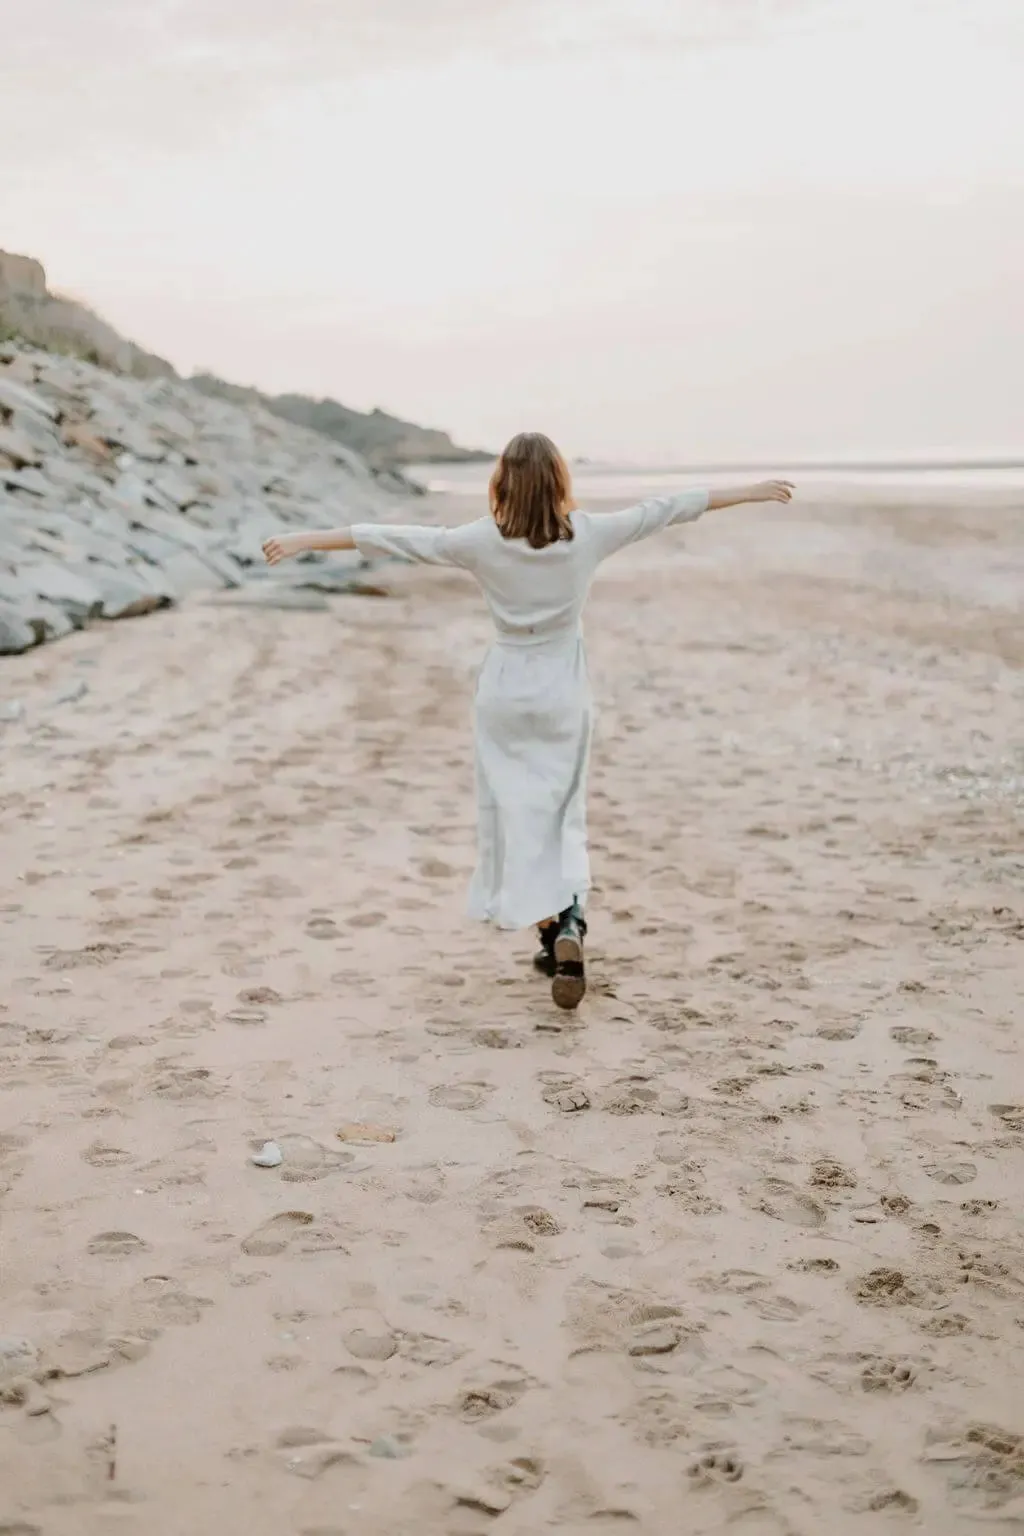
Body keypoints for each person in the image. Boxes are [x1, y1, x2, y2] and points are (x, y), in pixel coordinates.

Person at [263, 433, 793, 1010]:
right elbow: (665, 510)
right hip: (562, 691)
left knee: (516, 815)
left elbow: (392, 538)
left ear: (502, 483)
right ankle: (568, 926)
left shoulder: (480, 541)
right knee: (562, 812)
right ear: (560, 481)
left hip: (504, 693)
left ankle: (552, 932)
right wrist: (748, 492)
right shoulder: (588, 535)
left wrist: (302, 540)